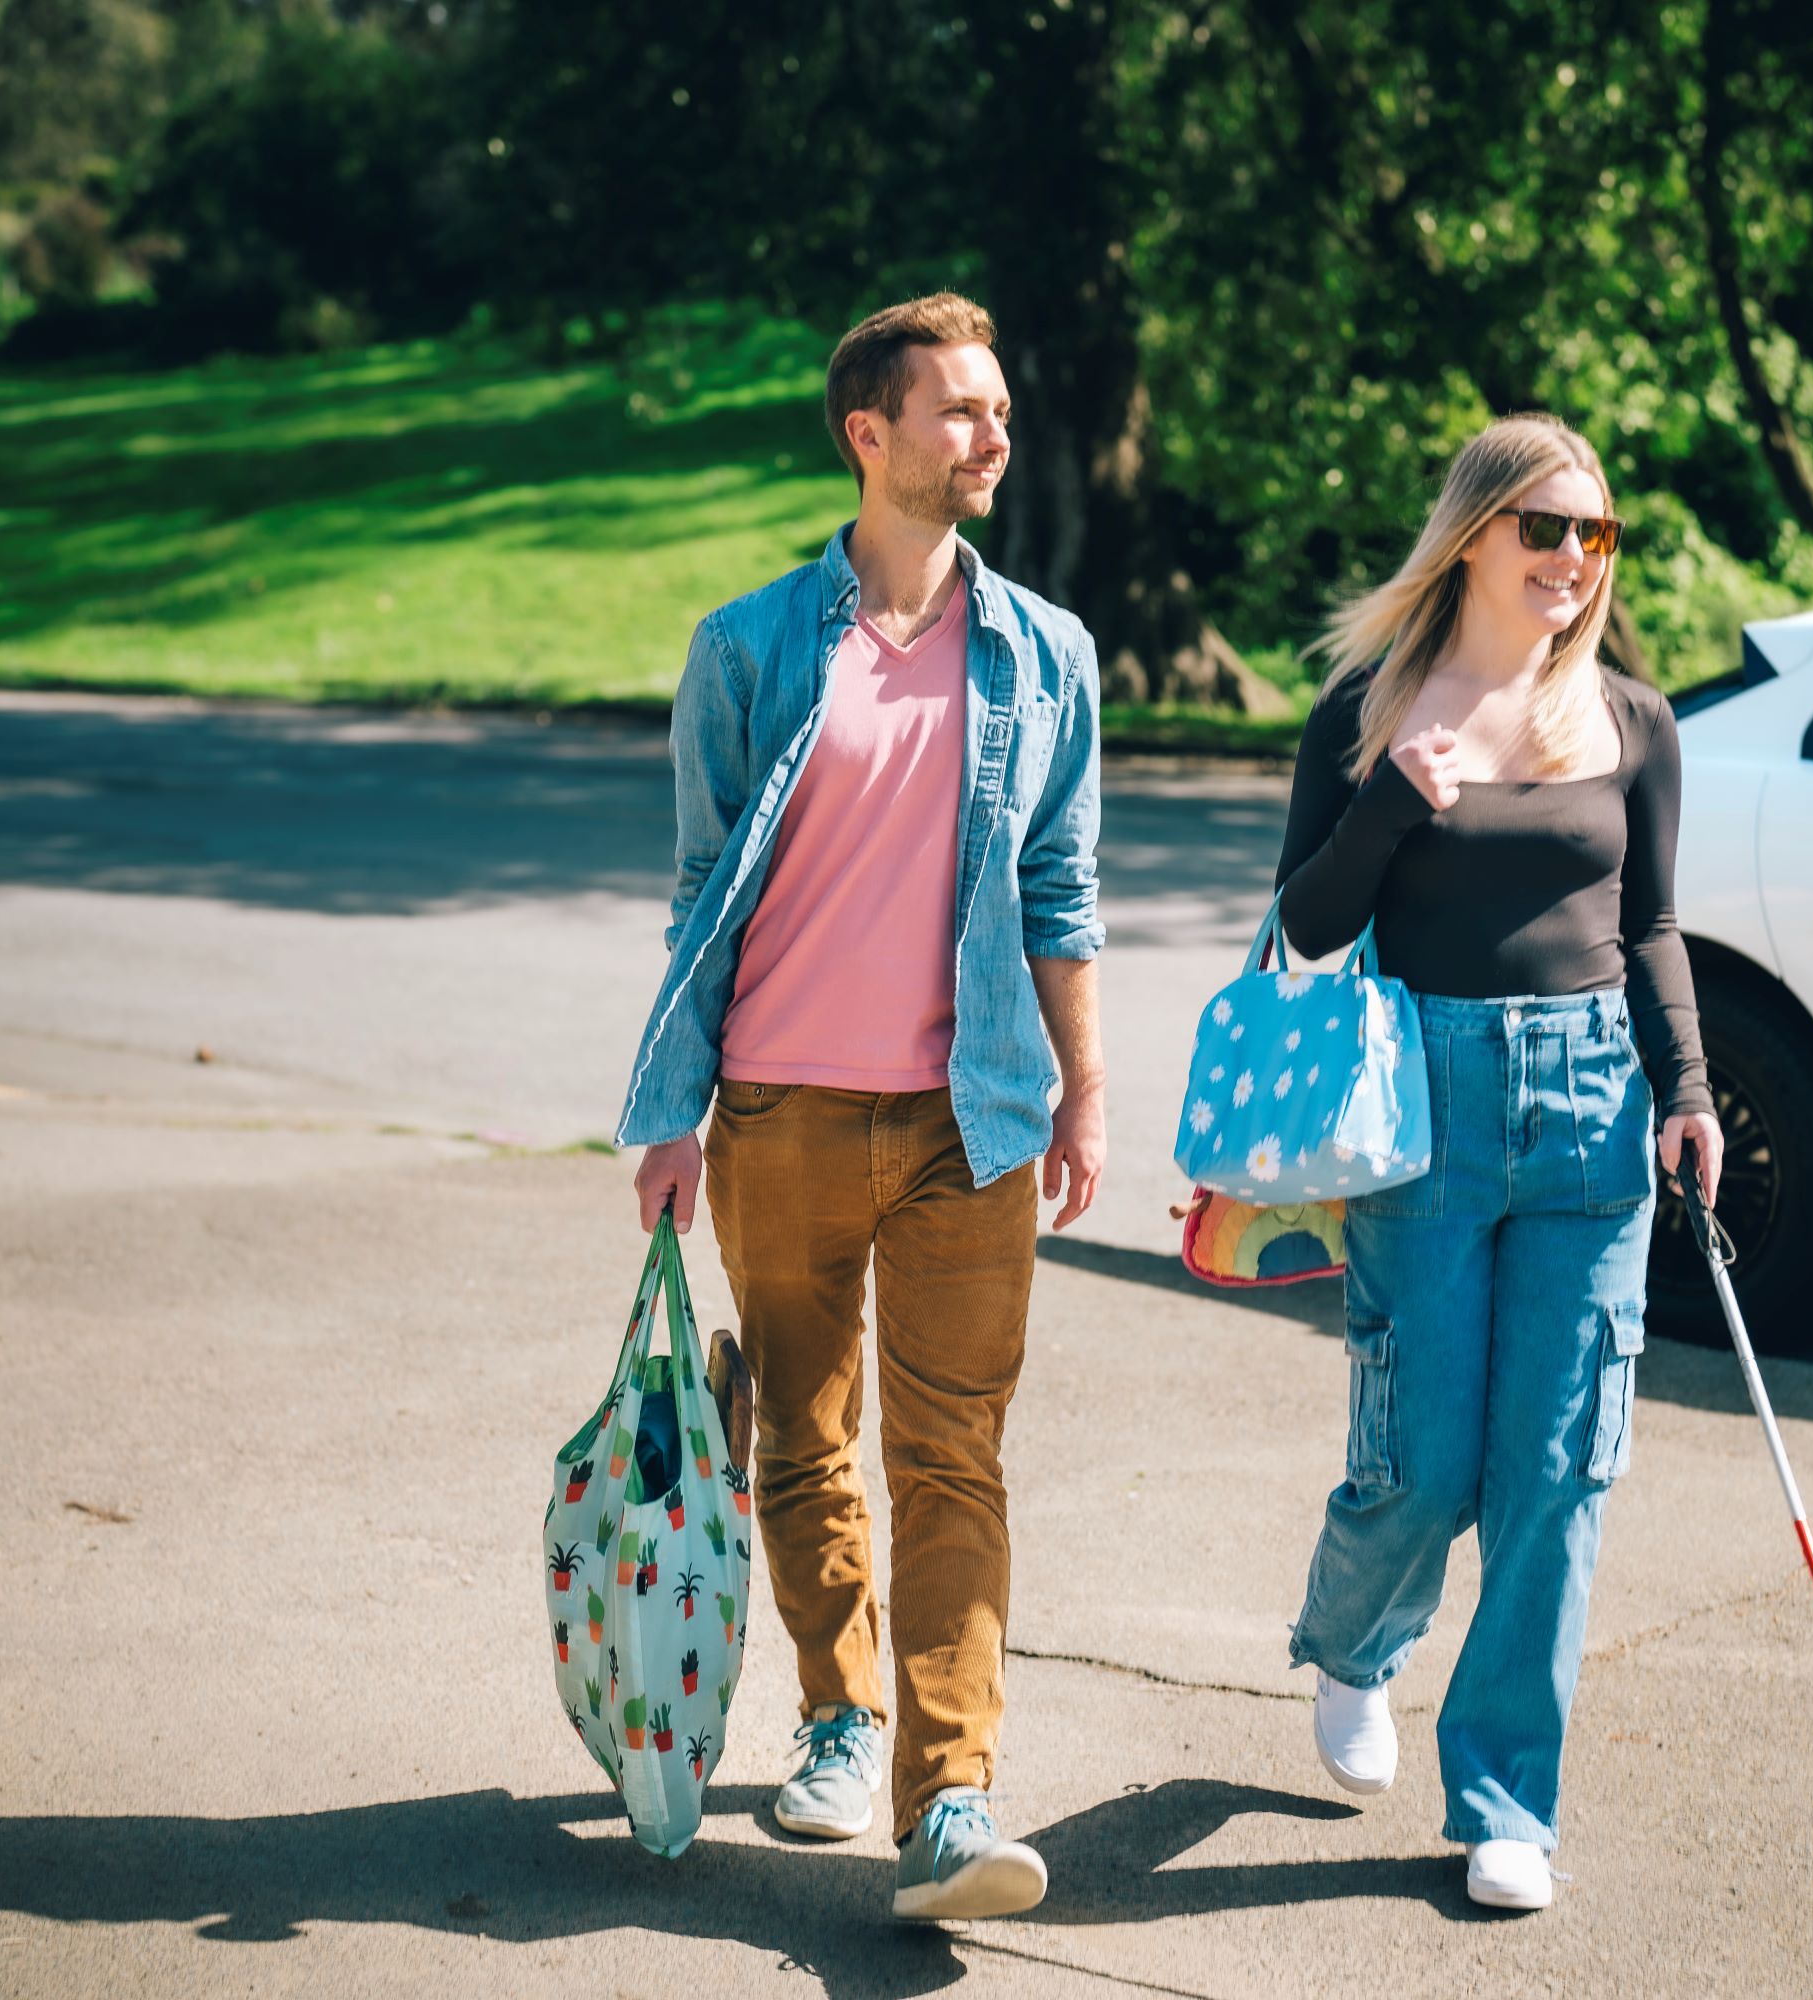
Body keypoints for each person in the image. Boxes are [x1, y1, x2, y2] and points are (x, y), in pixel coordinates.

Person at [614, 292, 1108, 1922]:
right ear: (870, 434)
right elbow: (701, 890)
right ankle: (837, 1717)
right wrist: (674, 1113)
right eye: (960, 410)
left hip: (973, 1120)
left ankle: (952, 1799)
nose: (993, 436)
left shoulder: (1047, 654)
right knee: (803, 1437)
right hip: (781, 1113)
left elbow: (1061, 888)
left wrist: (1083, 1094)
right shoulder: (751, 647)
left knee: (954, 1457)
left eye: (1000, 409)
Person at [1269, 412, 1723, 1912]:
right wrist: (1397, 795)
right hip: (1424, 1109)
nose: (1576, 560)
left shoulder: (1635, 723)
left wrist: (1691, 1091)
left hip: (1595, 1122)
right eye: (1549, 529)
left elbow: (1651, 925)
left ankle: (1505, 1800)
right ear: (1473, 533)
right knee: (1420, 1465)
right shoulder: (1362, 708)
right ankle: (1353, 1650)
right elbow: (1312, 926)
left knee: (1556, 1472)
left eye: (1600, 535)